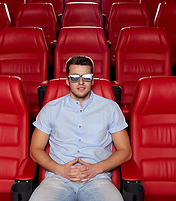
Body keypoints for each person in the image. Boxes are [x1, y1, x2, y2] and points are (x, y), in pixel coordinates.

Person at [29, 55, 132, 201]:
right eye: (75, 77)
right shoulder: (51, 109)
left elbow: (125, 151)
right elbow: (35, 149)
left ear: (93, 80)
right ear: (67, 81)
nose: (81, 82)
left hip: (98, 179)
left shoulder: (110, 108)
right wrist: (60, 170)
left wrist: (96, 169)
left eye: (86, 77)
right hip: (58, 179)